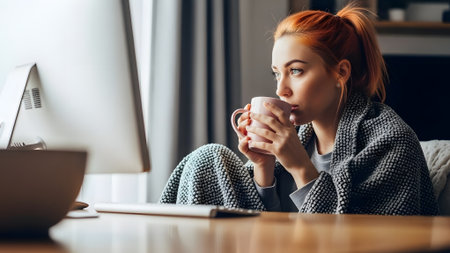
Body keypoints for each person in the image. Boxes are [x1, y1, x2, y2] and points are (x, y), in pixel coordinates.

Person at [159, 4, 438, 215]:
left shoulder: (391, 141)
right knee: (208, 159)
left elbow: (359, 235)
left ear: (340, 72)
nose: (281, 89)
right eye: (276, 74)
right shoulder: (299, 137)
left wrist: (300, 167)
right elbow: (270, 222)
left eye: (296, 70)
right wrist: (263, 168)